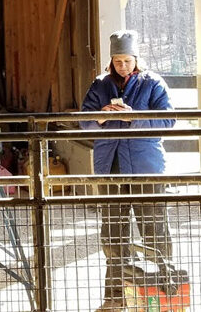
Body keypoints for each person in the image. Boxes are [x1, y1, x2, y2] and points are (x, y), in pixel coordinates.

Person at [81, 30, 175, 312]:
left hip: (146, 167)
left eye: (127, 60)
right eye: (118, 61)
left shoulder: (153, 83)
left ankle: (165, 293)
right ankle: (115, 297)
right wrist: (101, 116)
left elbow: (168, 119)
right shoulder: (100, 85)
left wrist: (133, 118)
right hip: (110, 167)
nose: (122, 66)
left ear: (136, 59)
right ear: (111, 61)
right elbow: (84, 122)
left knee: (154, 229)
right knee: (113, 233)